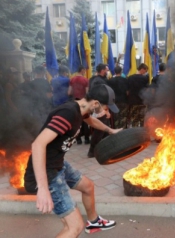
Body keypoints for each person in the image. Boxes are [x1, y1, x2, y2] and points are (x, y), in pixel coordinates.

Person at [24, 84, 122, 237]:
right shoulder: (67, 113)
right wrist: (43, 188)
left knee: (88, 187)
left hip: (58, 163)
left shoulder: (81, 110)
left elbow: (92, 121)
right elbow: (38, 144)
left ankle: (94, 221)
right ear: (95, 103)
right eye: (105, 108)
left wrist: (110, 130)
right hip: (48, 172)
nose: (106, 112)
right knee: (74, 227)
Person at [87, 64, 111, 158]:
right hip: (100, 106)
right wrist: (105, 108)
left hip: (101, 105)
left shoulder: (95, 79)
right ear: (102, 70)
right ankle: (92, 151)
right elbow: (99, 95)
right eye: (106, 69)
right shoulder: (98, 81)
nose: (107, 71)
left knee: (105, 127)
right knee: (100, 129)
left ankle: (105, 148)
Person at [68, 65, 90, 144]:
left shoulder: (72, 79)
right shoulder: (85, 80)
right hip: (83, 102)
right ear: (82, 70)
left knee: (77, 121)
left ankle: (78, 139)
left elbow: (69, 92)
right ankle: (87, 139)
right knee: (86, 120)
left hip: (75, 102)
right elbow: (87, 93)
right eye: (84, 70)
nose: (85, 72)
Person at [127, 63, 149, 127]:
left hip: (133, 102)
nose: (145, 72)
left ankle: (135, 133)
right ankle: (142, 133)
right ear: (142, 69)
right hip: (142, 102)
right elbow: (147, 90)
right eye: (145, 70)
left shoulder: (130, 78)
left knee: (134, 119)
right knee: (142, 119)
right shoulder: (145, 78)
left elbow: (127, 91)